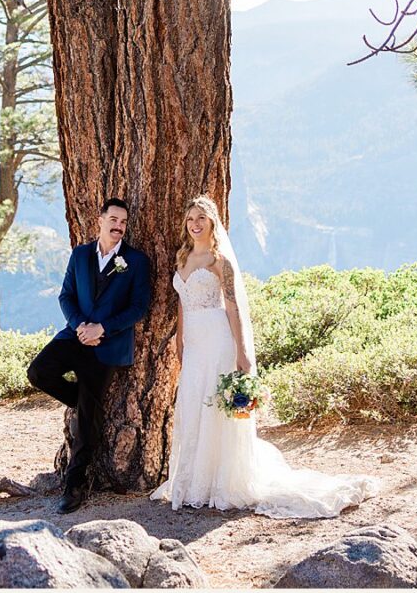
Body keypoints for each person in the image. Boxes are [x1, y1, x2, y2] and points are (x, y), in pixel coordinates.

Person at [151, 194, 379, 517]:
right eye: (190, 218)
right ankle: (190, 482)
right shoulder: (183, 257)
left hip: (218, 342)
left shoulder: (220, 262)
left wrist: (242, 353)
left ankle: (217, 482)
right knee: (191, 404)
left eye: (201, 218)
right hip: (193, 343)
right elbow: (182, 301)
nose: (195, 224)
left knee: (214, 408)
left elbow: (232, 308)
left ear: (212, 222)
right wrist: (179, 340)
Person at [28, 196, 153, 514]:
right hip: (75, 335)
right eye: (114, 219)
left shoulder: (135, 261)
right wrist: (80, 325)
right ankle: (83, 402)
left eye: (124, 222)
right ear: (100, 220)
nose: (119, 226)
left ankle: (75, 487)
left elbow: (138, 307)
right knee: (38, 372)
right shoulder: (80, 255)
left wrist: (103, 329)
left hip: (108, 347)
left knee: (86, 423)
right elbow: (66, 295)